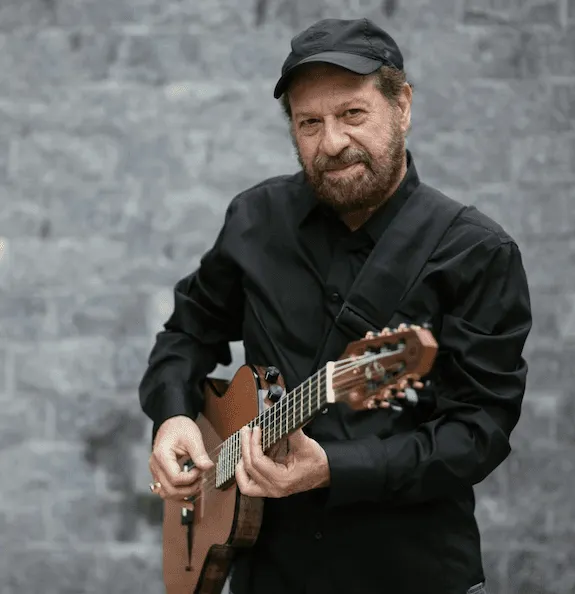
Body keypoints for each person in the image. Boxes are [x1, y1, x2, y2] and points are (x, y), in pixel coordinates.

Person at [140, 18, 531, 594]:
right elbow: (187, 332)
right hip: (267, 572)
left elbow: (479, 432)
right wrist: (172, 415)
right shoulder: (254, 220)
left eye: (353, 114)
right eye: (310, 123)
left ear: (402, 106)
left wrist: (335, 468)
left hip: (408, 576)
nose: (332, 143)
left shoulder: (476, 252)